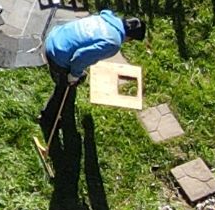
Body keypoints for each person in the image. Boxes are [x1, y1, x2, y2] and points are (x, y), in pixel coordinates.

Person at [37, 9, 147, 149]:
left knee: (77, 80)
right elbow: (80, 57)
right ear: (130, 39)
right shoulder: (113, 43)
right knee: (65, 90)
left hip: (54, 38)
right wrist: (74, 75)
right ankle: (47, 119)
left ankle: (60, 109)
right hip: (57, 55)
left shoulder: (106, 17)